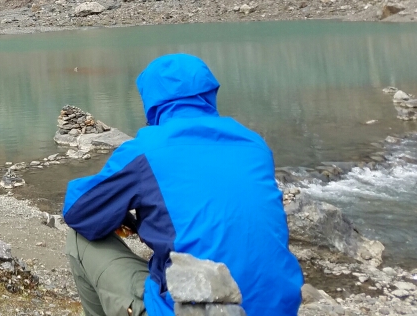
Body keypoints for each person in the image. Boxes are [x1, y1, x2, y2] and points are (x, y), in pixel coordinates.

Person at [62, 53, 303, 316]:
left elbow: (78, 210)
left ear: (152, 102)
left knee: (78, 239)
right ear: (209, 93)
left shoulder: (147, 148)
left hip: (191, 311)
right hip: (278, 309)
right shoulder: (254, 144)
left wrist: (122, 212)